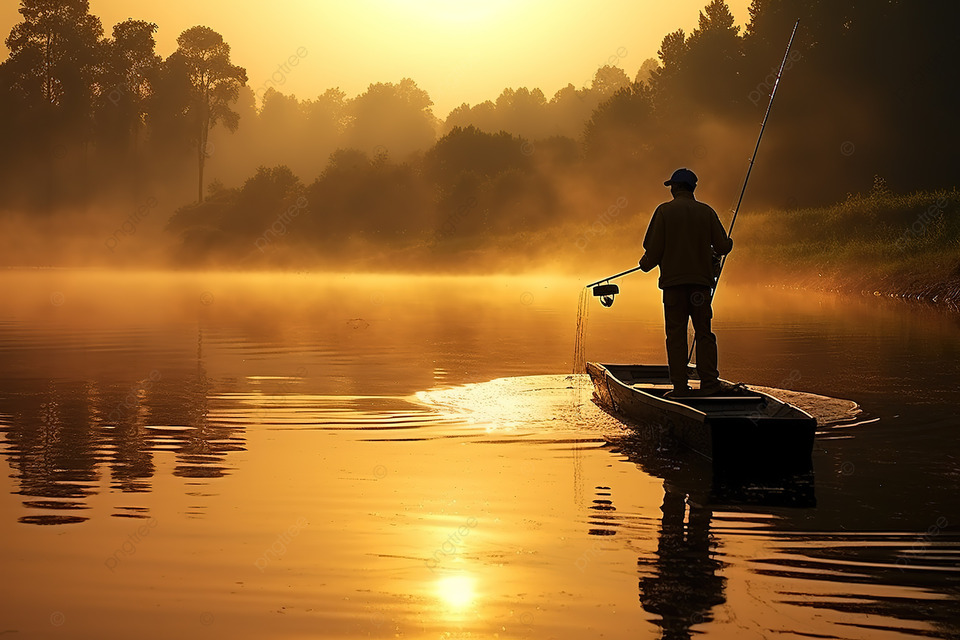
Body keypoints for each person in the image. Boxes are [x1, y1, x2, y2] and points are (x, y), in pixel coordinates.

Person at [638, 168, 733, 397]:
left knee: (676, 335)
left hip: (674, 287)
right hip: (700, 287)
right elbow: (722, 247)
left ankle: (680, 387)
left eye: (672, 186)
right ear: (692, 188)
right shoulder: (706, 212)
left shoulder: (664, 211)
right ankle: (710, 383)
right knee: (704, 333)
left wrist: (645, 264)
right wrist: (728, 242)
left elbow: (653, 250)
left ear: (677, 187)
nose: (670, 189)